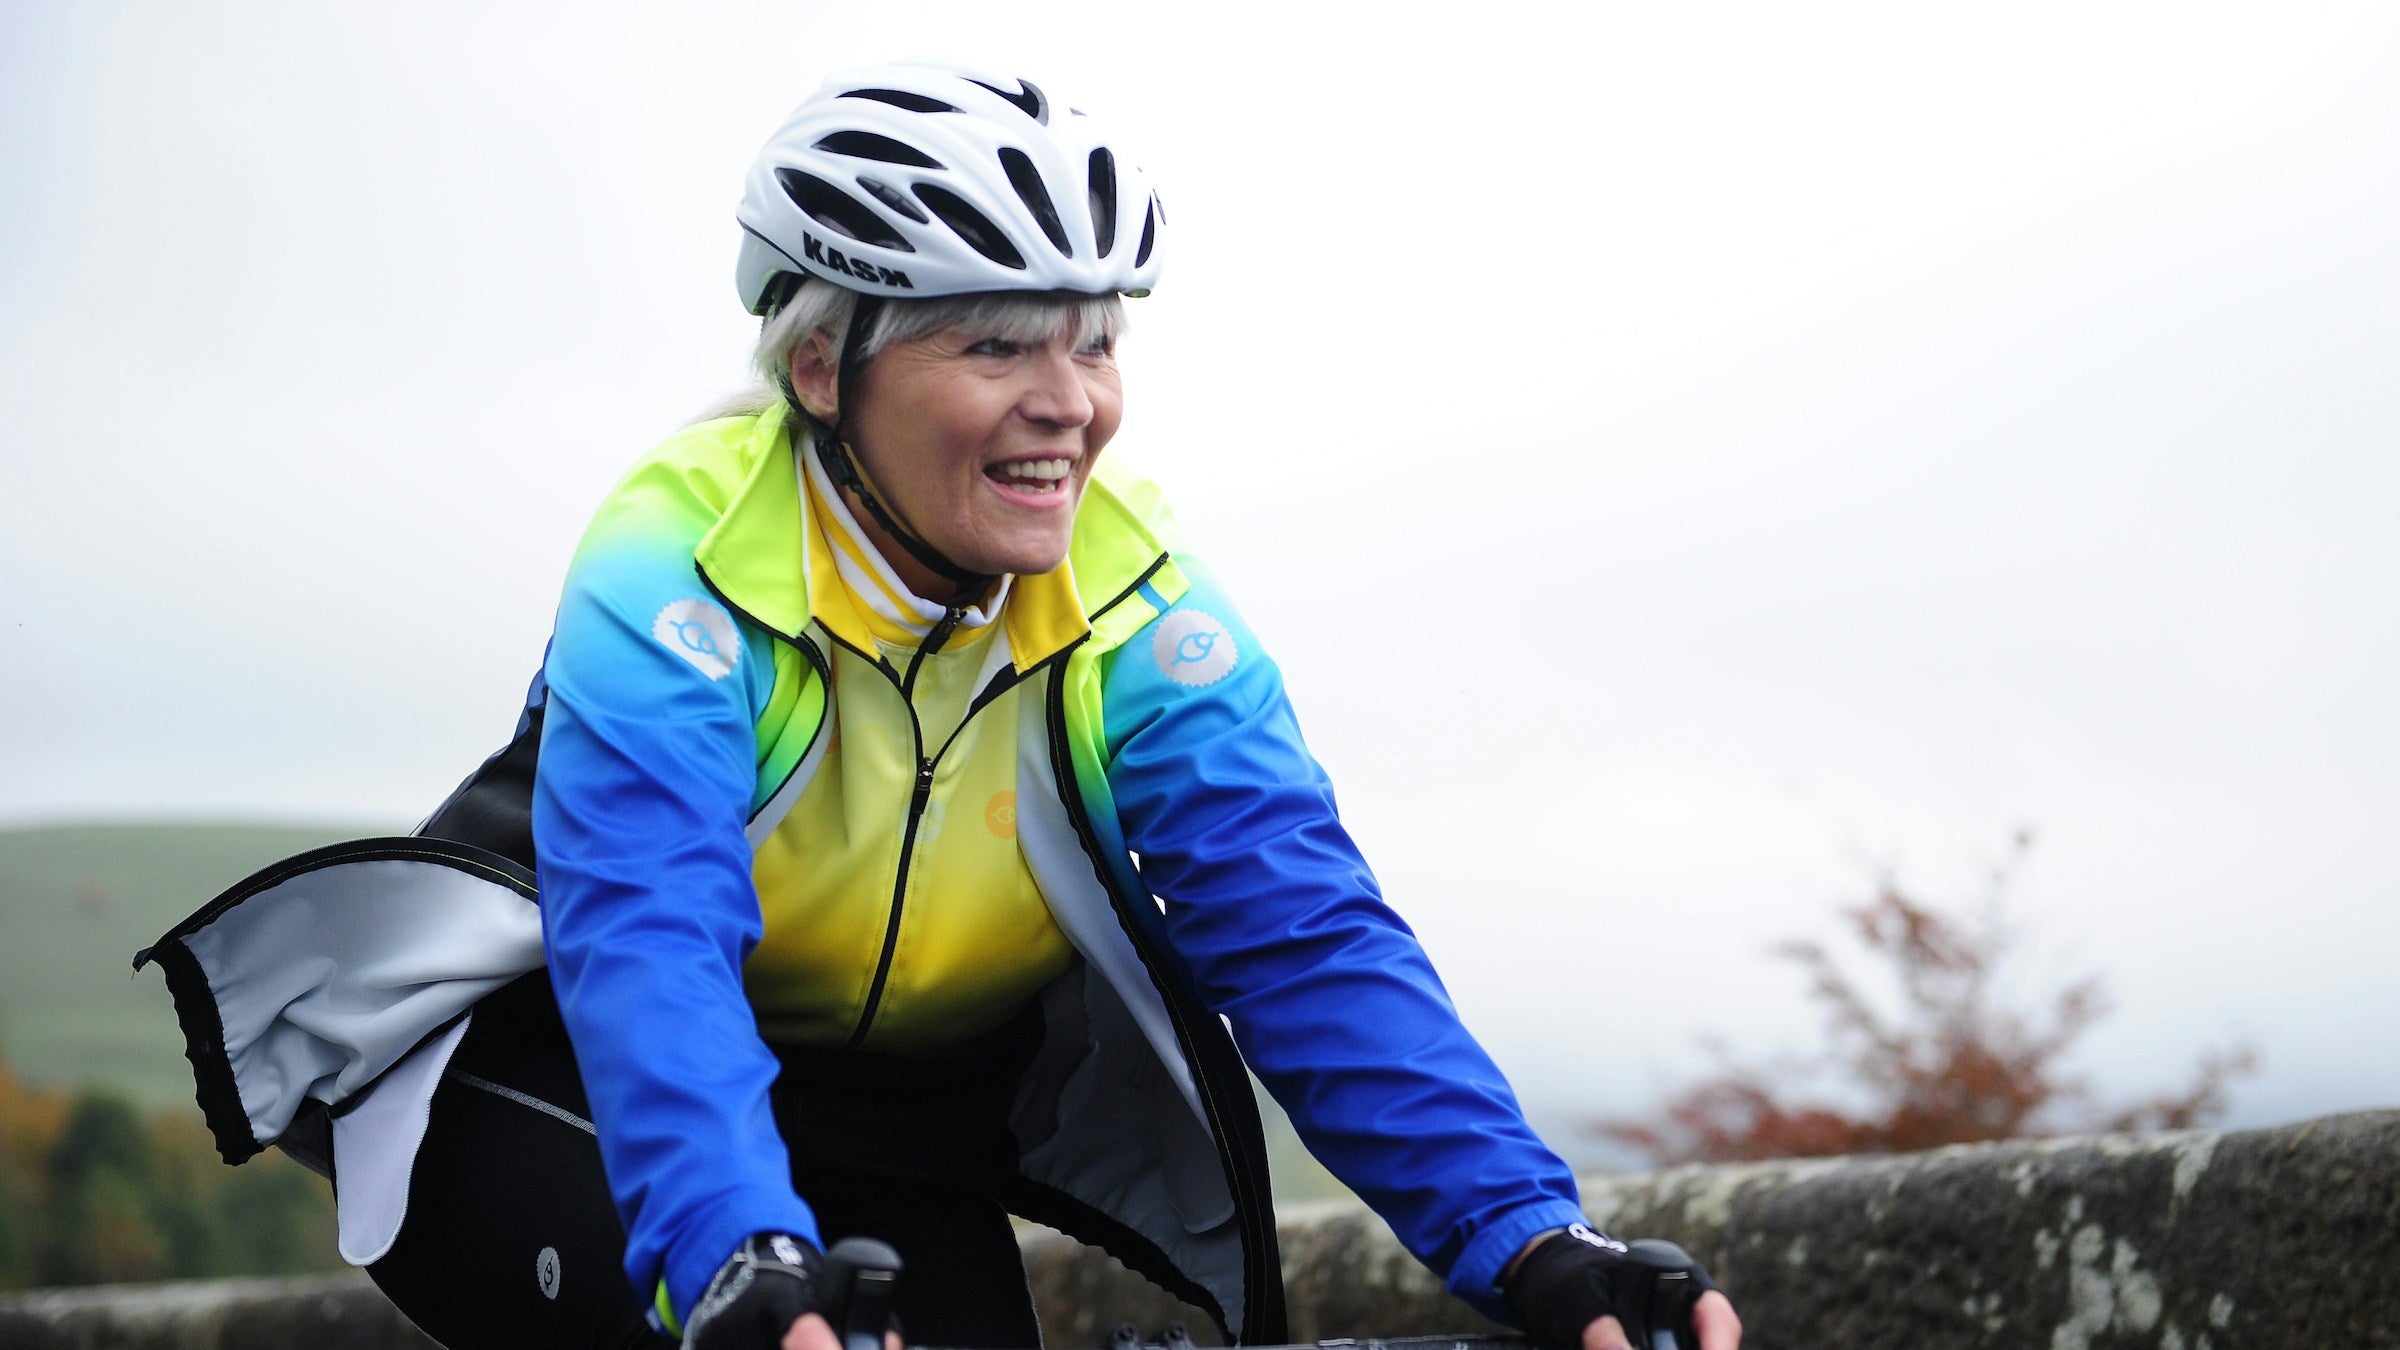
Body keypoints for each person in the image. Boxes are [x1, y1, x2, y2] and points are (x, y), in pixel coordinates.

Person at [137, 62, 1743, 1350]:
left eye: (1095, 342)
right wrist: (730, 1248)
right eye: (995, 344)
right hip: (556, 1074)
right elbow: (651, 934)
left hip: (884, 1124)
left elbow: (1303, 931)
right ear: (821, 368)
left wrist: (1534, 1237)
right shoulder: (677, 563)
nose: (1071, 404)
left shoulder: (1137, 600)